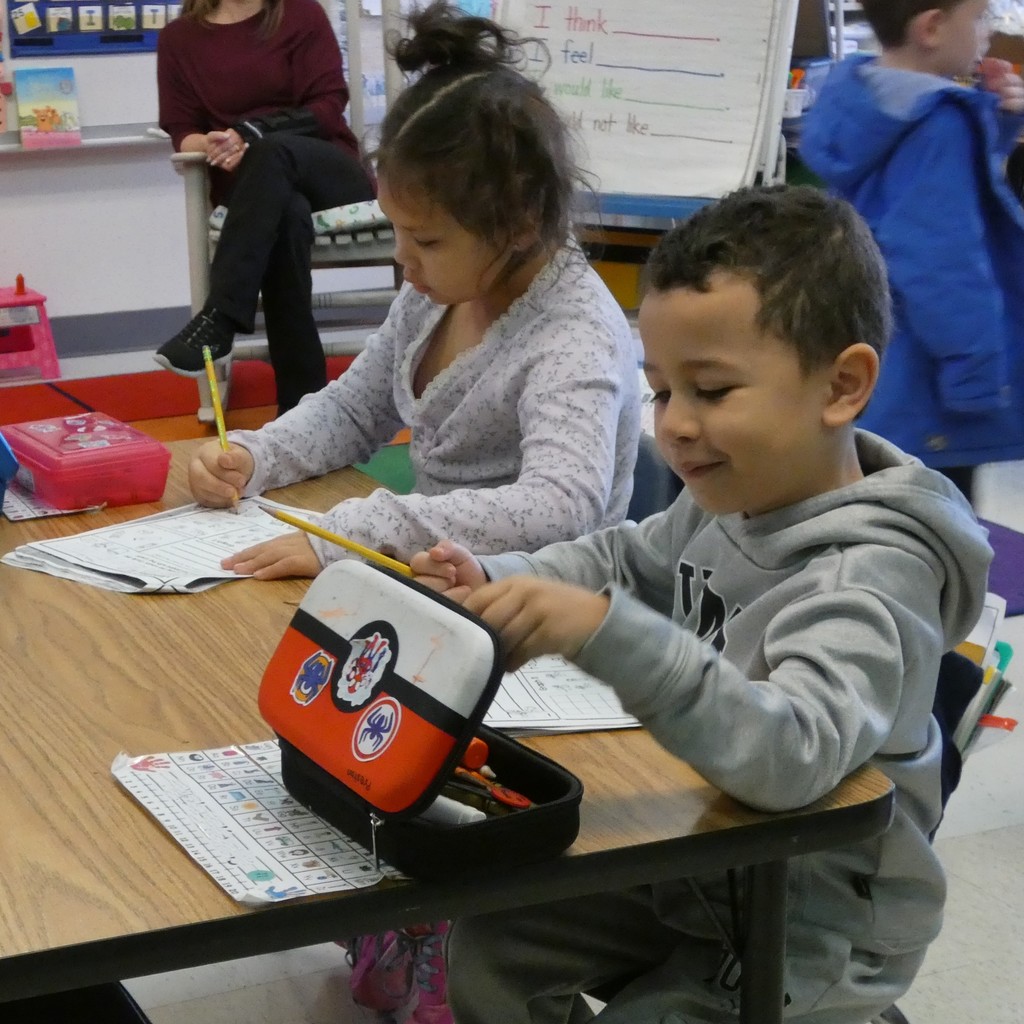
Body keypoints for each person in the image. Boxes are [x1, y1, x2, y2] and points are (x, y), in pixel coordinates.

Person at [409, 186, 993, 1024]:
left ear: (843, 385)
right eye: (661, 391)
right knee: (495, 946)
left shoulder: (869, 578)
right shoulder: (731, 495)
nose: (675, 427)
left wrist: (608, 633)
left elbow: (790, 759)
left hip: (814, 923)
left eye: (712, 392)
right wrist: (497, 578)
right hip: (700, 865)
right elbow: (627, 557)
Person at [185, 2, 641, 1019]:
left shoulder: (570, 332)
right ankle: (395, 921)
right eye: (398, 231)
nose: (406, 262)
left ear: (516, 226)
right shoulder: (440, 290)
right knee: (314, 706)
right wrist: (252, 454)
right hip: (434, 599)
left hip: (533, 628)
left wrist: (372, 529)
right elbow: (354, 405)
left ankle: (442, 946)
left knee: (400, 754)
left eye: (424, 238)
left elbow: (561, 499)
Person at [799, 0, 1024, 506]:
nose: (989, 31)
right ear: (932, 27)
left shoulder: (863, 98)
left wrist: (995, 124)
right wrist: (977, 379)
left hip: (874, 361)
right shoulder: (939, 124)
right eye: (981, 17)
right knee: (938, 536)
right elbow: (942, 263)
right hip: (931, 381)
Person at [154, 0, 376, 414]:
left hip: (327, 168)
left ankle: (220, 317)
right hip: (253, 191)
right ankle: (303, 409)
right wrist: (217, 144)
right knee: (285, 216)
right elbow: (184, 133)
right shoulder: (178, 39)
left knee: (270, 153)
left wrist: (251, 135)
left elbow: (328, 108)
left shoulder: (301, 13)